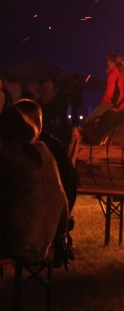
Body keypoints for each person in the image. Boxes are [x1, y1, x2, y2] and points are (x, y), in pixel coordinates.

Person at [0, 104, 68, 264]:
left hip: (18, 244)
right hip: (45, 241)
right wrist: (61, 240)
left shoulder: (9, 155)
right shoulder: (45, 152)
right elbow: (63, 201)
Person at [14, 99, 78, 213]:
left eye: (37, 121)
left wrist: (63, 214)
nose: (33, 126)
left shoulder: (54, 147)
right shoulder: (9, 147)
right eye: (29, 121)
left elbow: (69, 183)